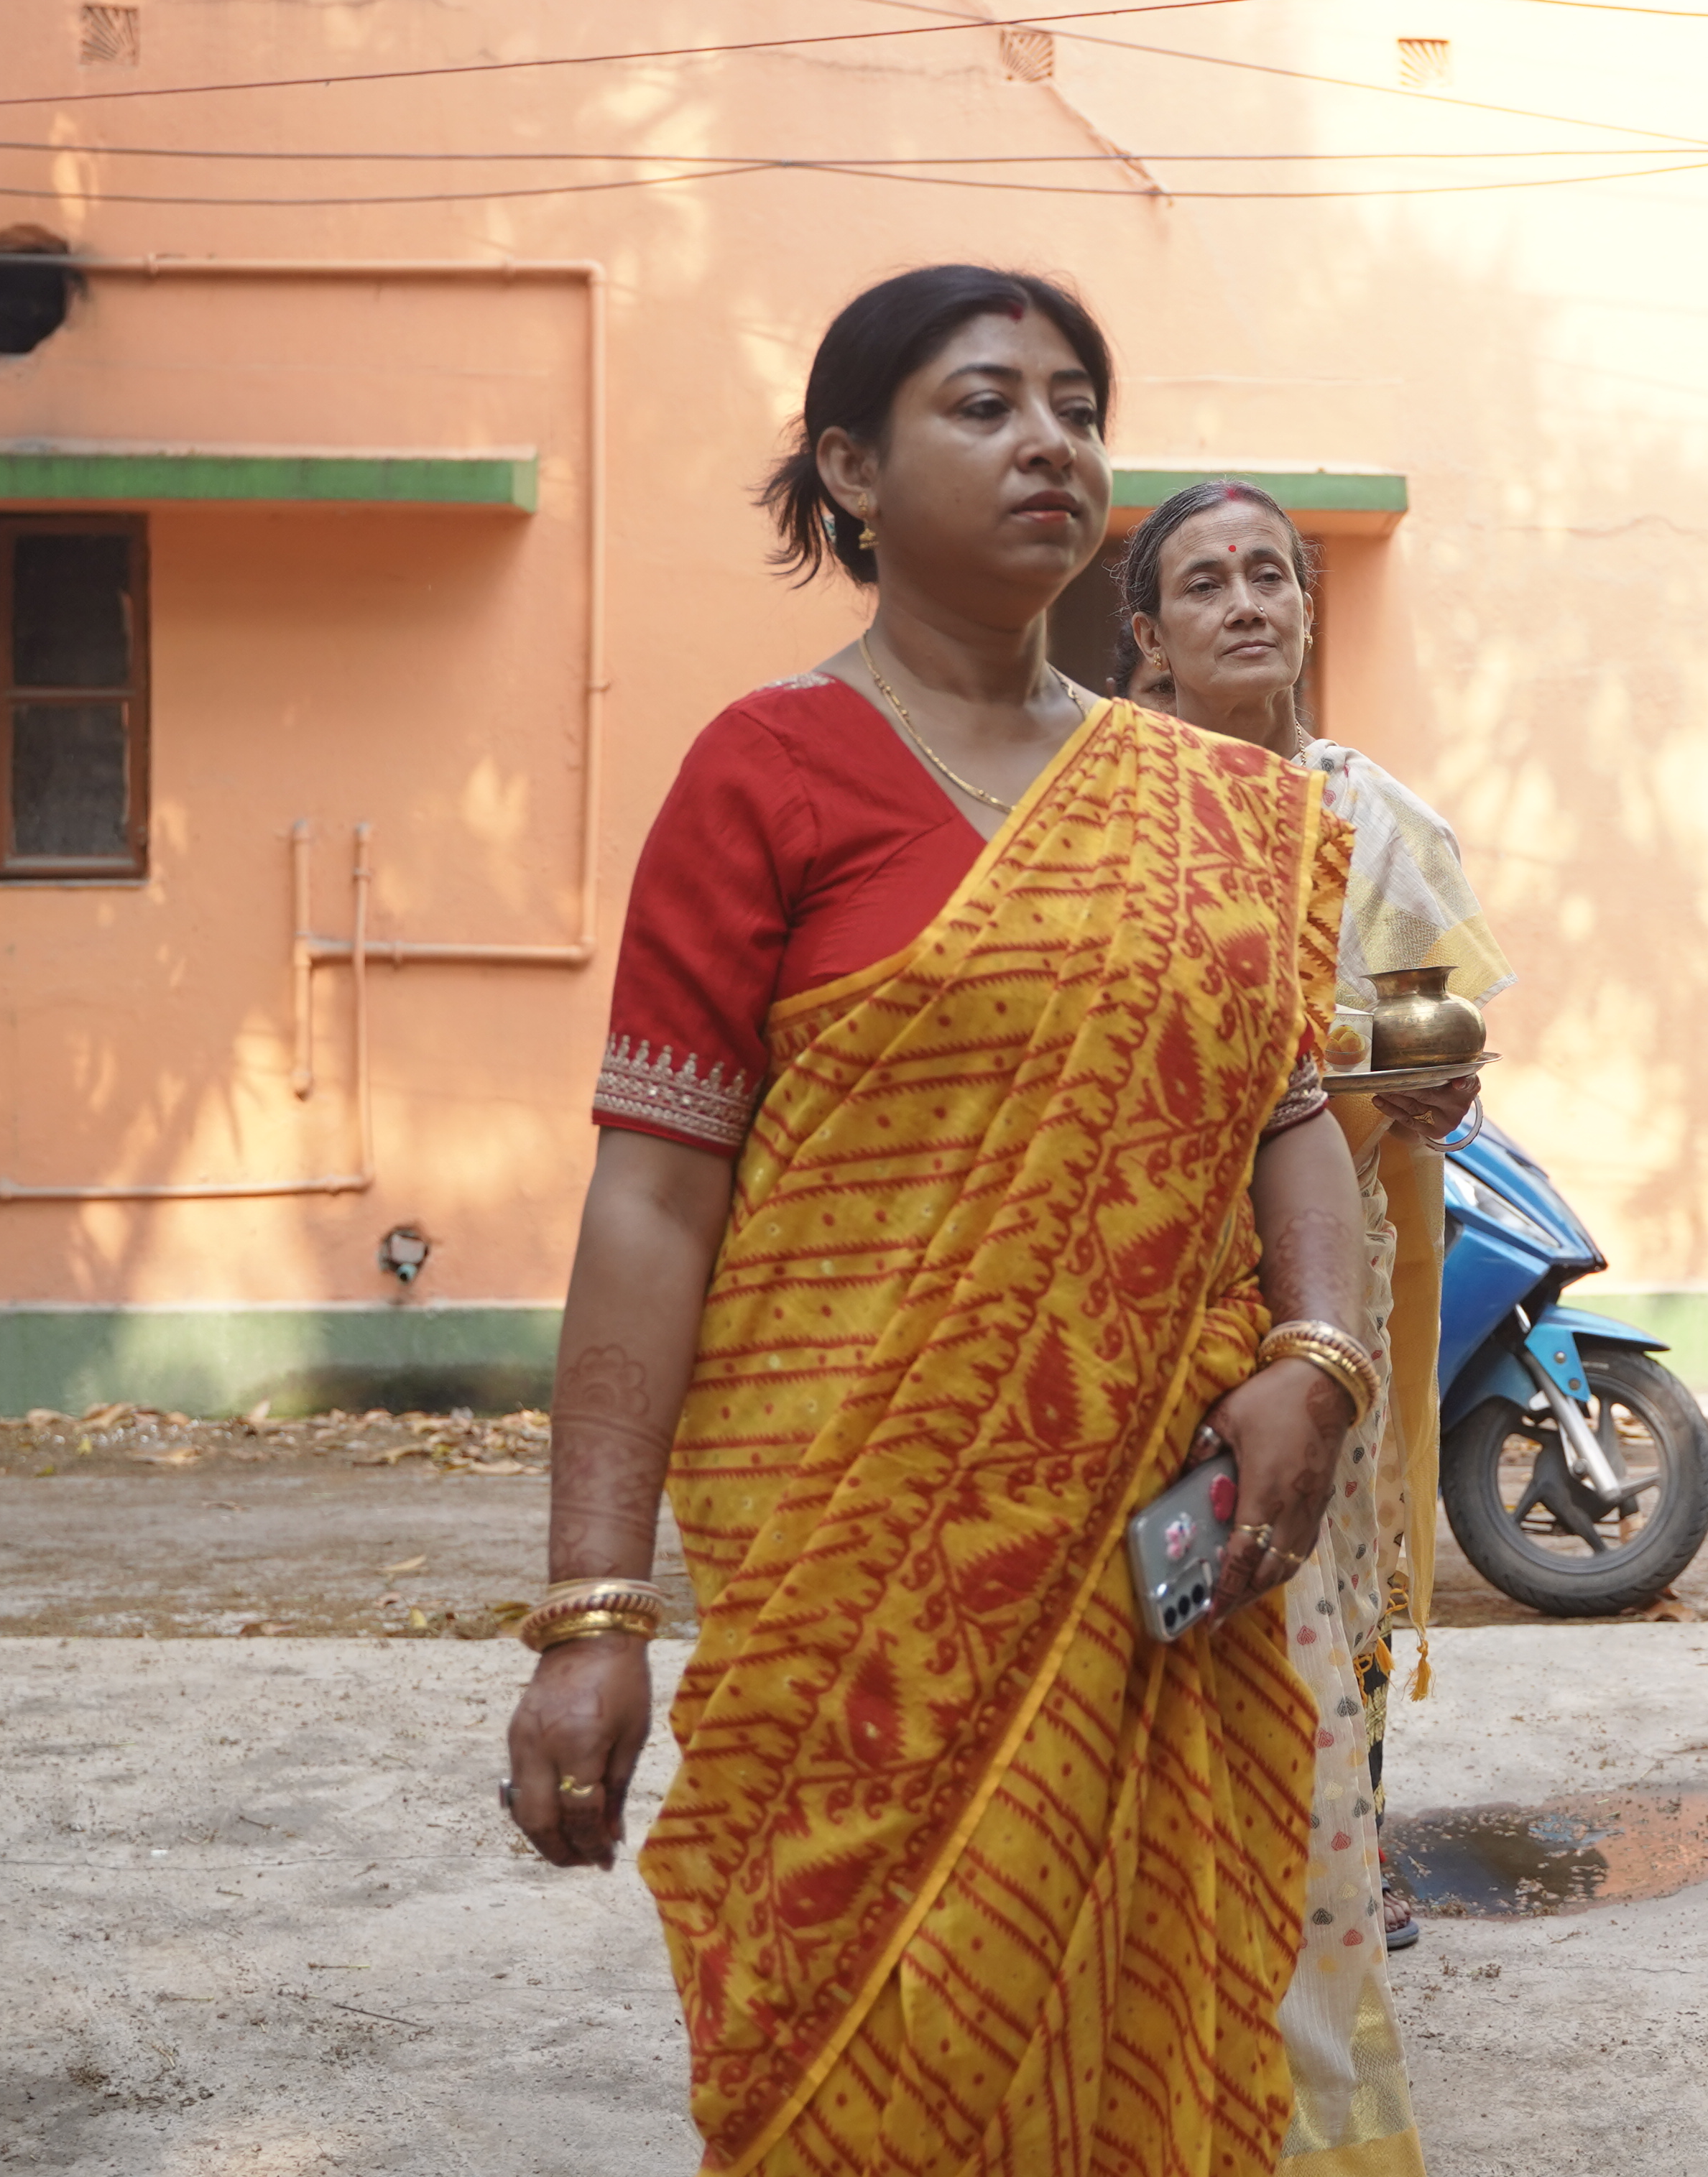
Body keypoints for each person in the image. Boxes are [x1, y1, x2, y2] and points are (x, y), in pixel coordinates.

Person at [504, 269, 1376, 2177]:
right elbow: (653, 1194)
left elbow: (1286, 1110)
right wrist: (591, 1609)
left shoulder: (1205, 808)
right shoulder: (767, 774)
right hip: (861, 1584)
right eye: (983, 405)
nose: (1049, 440)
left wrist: (1318, 1361)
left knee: (1173, 2047)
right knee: (866, 2063)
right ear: (850, 471)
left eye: (1077, 403)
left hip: (1172, 1576)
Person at [1117, 478, 1516, 2177]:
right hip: (1132, 1289)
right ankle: (1151, 1985)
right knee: (1150, 1611)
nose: (1244, 602)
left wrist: (1423, 1087)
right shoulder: (1101, 813)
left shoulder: (1379, 818)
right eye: (1200, 581)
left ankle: (1303, 1994)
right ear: (1144, 635)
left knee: (1315, 1622)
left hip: (1328, 1287)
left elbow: (1435, 1066)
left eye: (1269, 571)